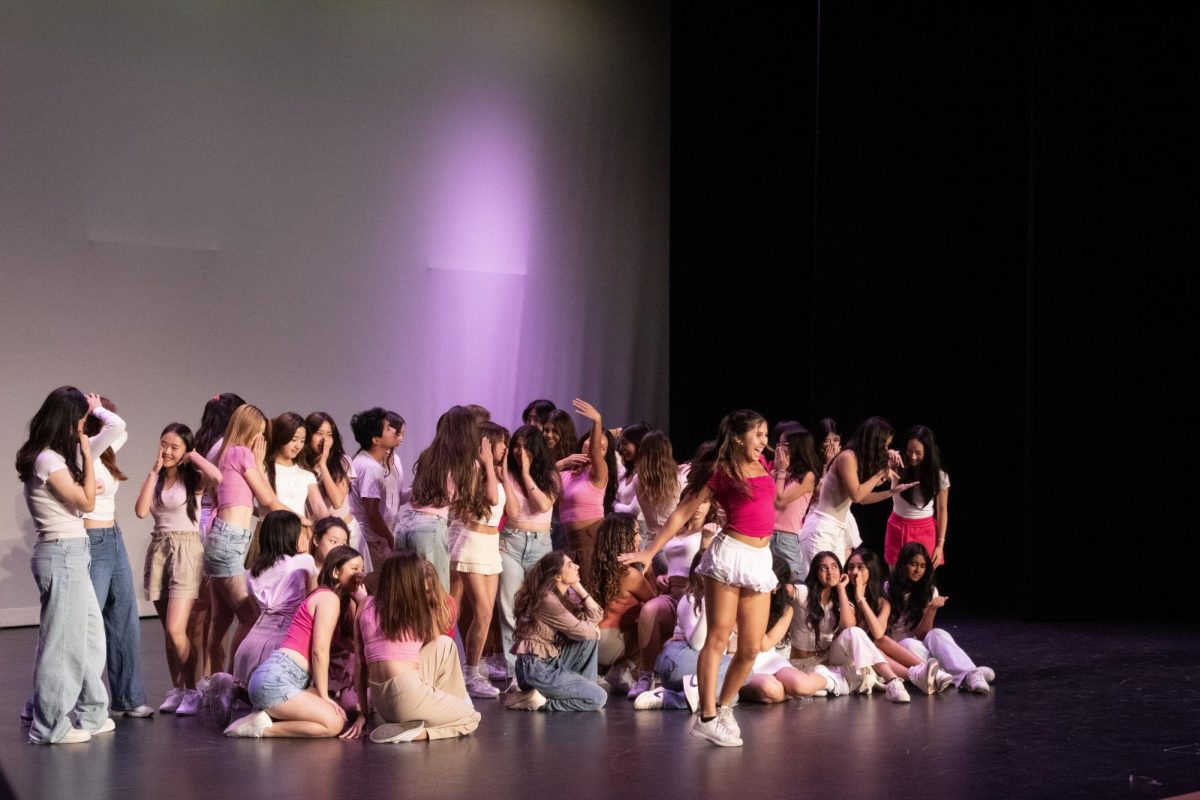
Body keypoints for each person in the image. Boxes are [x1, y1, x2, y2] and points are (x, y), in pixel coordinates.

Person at [621, 409, 777, 747]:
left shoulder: (763, 465)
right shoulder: (720, 470)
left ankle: (722, 708)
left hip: (759, 559)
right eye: (759, 435)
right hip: (729, 555)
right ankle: (707, 716)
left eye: (766, 435)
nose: (765, 442)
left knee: (750, 647)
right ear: (738, 437)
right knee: (718, 638)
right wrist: (650, 552)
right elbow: (682, 511)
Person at [17, 388, 116, 743]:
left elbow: (82, 497)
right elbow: (86, 502)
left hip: (74, 552)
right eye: (80, 420)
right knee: (62, 644)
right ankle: (49, 726)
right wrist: (88, 453)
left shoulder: (55, 458)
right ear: (67, 419)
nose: (82, 427)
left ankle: (91, 713)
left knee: (89, 636)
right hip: (62, 554)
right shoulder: (47, 459)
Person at [224, 546, 367, 738]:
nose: (360, 574)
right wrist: (323, 696)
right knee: (334, 723)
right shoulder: (328, 598)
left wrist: (362, 602)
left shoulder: (329, 599)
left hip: (282, 679)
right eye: (355, 568)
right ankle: (262, 729)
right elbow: (320, 650)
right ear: (335, 572)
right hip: (277, 680)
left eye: (362, 569)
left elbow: (357, 645)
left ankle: (260, 715)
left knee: (336, 714)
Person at [134, 422, 222, 715]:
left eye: (174, 446)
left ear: (185, 449)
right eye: (164, 444)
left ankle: (193, 687)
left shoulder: (192, 478)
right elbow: (141, 510)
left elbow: (216, 476)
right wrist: (152, 471)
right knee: (167, 632)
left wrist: (194, 455)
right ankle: (178, 689)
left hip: (186, 550)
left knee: (176, 630)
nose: (167, 451)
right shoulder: (158, 479)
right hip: (159, 549)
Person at [205, 404, 296, 679]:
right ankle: (232, 681)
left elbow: (252, 503)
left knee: (220, 619)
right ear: (249, 432)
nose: (262, 441)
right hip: (228, 542)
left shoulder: (224, 453)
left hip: (226, 538)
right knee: (251, 617)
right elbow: (268, 500)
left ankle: (212, 681)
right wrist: (305, 521)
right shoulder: (241, 453)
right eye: (259, 434)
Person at [356, 550, 481, 742]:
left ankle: (440, 709)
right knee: (471, 717)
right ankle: (418, 732)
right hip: (407, 695)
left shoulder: (365, 605)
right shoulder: (416, 607)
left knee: (444, 645)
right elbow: (439, 628)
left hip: (380, 699)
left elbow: (360, 664)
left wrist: (364, 714)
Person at [77, 397, 152, 719]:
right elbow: (116, 426)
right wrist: (94, 408)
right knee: (87, 626)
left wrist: (98, 411)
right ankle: (75, 704)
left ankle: (127, 699)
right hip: (92, 541)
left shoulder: (103, 452)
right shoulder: (84, 450)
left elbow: (120, 431)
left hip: (114, 538)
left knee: (124, 620)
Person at [796, 417, 914, 580]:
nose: (885, 449)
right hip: (821, 529)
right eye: (884, 445)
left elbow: (863, 499)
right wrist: (880, 473)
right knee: (817, 584)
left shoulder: (855, 458)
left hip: (837, 530)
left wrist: (892, 492)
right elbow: (857, 495)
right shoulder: (847, 457)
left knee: (837, 585)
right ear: (875, 442)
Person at [788, 551, 911, 703]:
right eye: (823, 568)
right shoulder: (804, 593)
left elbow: (848, 626)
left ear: (840, 571)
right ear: (815, 572)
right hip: (802, 663)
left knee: (854, 632)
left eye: (834, 567)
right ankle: (830, 684)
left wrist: (840, 589)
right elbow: (787, 589)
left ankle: (893, 681)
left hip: (828, 660)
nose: (830, 572)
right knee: (854, 676)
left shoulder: (841, 600)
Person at [397, 405, 492, 591]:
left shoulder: (428, 455)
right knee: (436, 594)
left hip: (405, 524)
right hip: (430, 529)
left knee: (408, 593)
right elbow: (466, 505)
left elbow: (417, 490)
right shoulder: (469, 463)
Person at [496, 426, 559, 684]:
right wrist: (510, 475)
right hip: (510, 543)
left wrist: (525, 472)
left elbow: (543, 504)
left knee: (540, 607)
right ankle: (515, 673)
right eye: (516, 446)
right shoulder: (506, 475)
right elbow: (511, 511)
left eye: (525, 446)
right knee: (509, 607)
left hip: (541, 546)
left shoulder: (551, 475)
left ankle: (540, 666)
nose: (519, 451)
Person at [506, 551, 608, 712]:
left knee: (589, 640)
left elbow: (596, 615)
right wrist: (592, 629)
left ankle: (580, 690)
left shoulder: (560, 596)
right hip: (537, 669)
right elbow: (583, 630)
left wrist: (577, 585)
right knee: (598, 698)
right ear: (557, 577)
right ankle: (542, 703)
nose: (577, 566)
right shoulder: (547, 599)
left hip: (547, 663)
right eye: (570, 565)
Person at [449, 421, 508, 698]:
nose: (505, 448)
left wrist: (500, 470)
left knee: (487, 615)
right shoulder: (474, 469)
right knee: (480, 612)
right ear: (487, 444)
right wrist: (485, 464)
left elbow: (509, 506)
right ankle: (470, 673)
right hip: (471, 544)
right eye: (501, 443)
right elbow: (493, 500)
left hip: (491, 545)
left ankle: (472, 670)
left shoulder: (495, 471)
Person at [887, 542, 994, 693]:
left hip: (920, 645)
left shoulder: (929, 591)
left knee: (936, 633)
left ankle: (971, 674)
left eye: (923, 566)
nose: (918, 570)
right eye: (914, 564)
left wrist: (931, 610)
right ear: (904, 564)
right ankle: (958, 671)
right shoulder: (887, 588)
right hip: (901, 651)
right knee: (907, 643)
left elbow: (922, 634)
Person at [739, 557, 836, 704]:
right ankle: (793, 692)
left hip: (766, 657)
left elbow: (764, 645)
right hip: (739, 661)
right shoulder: (740, 598)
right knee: (772, 690)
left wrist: (761, 603)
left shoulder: (785, 610)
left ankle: (833, 681)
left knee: (801, 685)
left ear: (777, 586)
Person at [588, 513, 656, 693]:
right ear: (623, 537)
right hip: (609, 644)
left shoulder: (599, 566)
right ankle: (623, 668)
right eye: (635, 532)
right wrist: (648, 565)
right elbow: (656, 604)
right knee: (657, 622)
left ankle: (608, 669)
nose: (639, 537)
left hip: (595, 640)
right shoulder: (629, 575)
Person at [558, 399, 615, 586]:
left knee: (590, 594)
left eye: (602, 448)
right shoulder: (566, 474)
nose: (595, 447)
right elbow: (537, 480)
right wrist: (560, 464)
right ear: (582, 443)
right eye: (591, 441)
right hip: (569, 543)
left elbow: (595, 453)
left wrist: (597, 421)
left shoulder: (599, 473)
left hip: (591, 542)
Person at [304, 412, 370, 571]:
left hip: (346, 532)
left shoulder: (342, 461)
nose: (324, 440)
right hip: (317, 535)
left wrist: (323, 465)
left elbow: (337, 501)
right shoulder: (301, 465)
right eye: (319, 433)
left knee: (351, 581)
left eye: (329, 434)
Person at [347, 407, 406, 572]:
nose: (394, 432)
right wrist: (389, 538)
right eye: (388, 429)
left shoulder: (368, 461)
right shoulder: (369, 466)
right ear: (376, 440)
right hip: (371, 541)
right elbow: (372, 512)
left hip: (373, 539)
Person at [886, 425, 951, 569]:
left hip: (925, 530)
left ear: (928, 452)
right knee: (896, 581)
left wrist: (940, 545)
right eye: (909, 451)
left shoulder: (939, 475)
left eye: (918, 453)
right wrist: (887, 453)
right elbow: (872, 467)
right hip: (897, 526)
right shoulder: (897, 462)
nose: (913, 457)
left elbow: (942, 510)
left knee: (922, 583)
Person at [769, 422, 820, 581]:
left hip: (786, 538)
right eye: (778, 443)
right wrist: (777, 472)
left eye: (784, 444)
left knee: (795, 585)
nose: (779, 448)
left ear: (797, 447)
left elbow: (780, 500)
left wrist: (781, 471)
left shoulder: (807, 475)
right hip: (766, 535)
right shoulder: (778, 472)